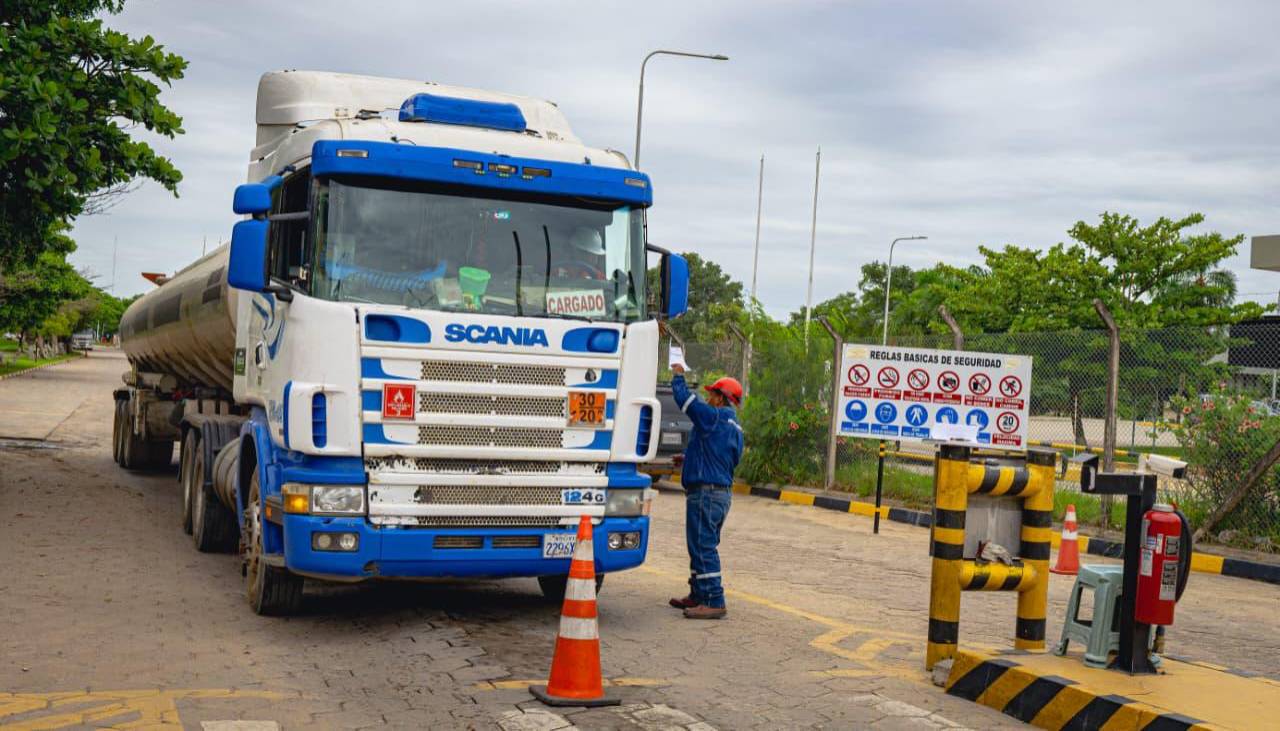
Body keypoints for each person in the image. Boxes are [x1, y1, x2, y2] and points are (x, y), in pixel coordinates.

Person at [667, 364, 744, 620]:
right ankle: (699, 594)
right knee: (699, 544)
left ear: (721, 398)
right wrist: (688, 459)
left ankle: (713, 600)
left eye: (712, 394)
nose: (709, 398)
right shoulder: (734, 427)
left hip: (706, 494)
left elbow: (687, 401)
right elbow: (719, 456)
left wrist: (678, 375)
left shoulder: (714, 416)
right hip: (720, 494)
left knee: (703, 546)